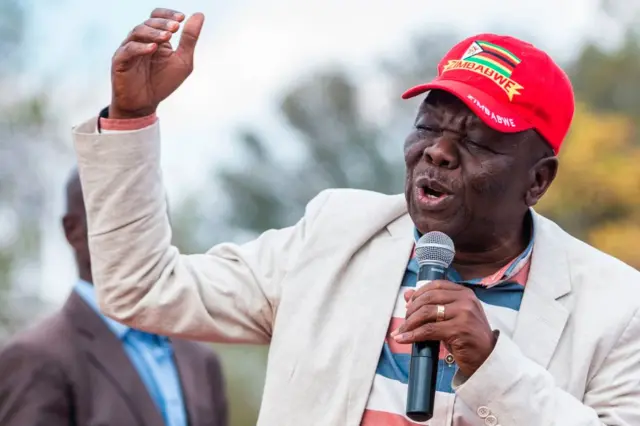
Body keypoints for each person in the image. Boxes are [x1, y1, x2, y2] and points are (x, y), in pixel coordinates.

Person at [70, 7, 640, 426]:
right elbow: (141, 290)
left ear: (538, 179)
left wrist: (492, 364)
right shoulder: (336, 235)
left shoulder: (614, 306)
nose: (438, 151)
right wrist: (133, 117)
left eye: (476, 141)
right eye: (429, 125)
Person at [0, 169, 228, 426]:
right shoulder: (37, 358)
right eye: (127, 217)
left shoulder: (200, 360)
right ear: (74, 230)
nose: (146, 234)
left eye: (155, 217)